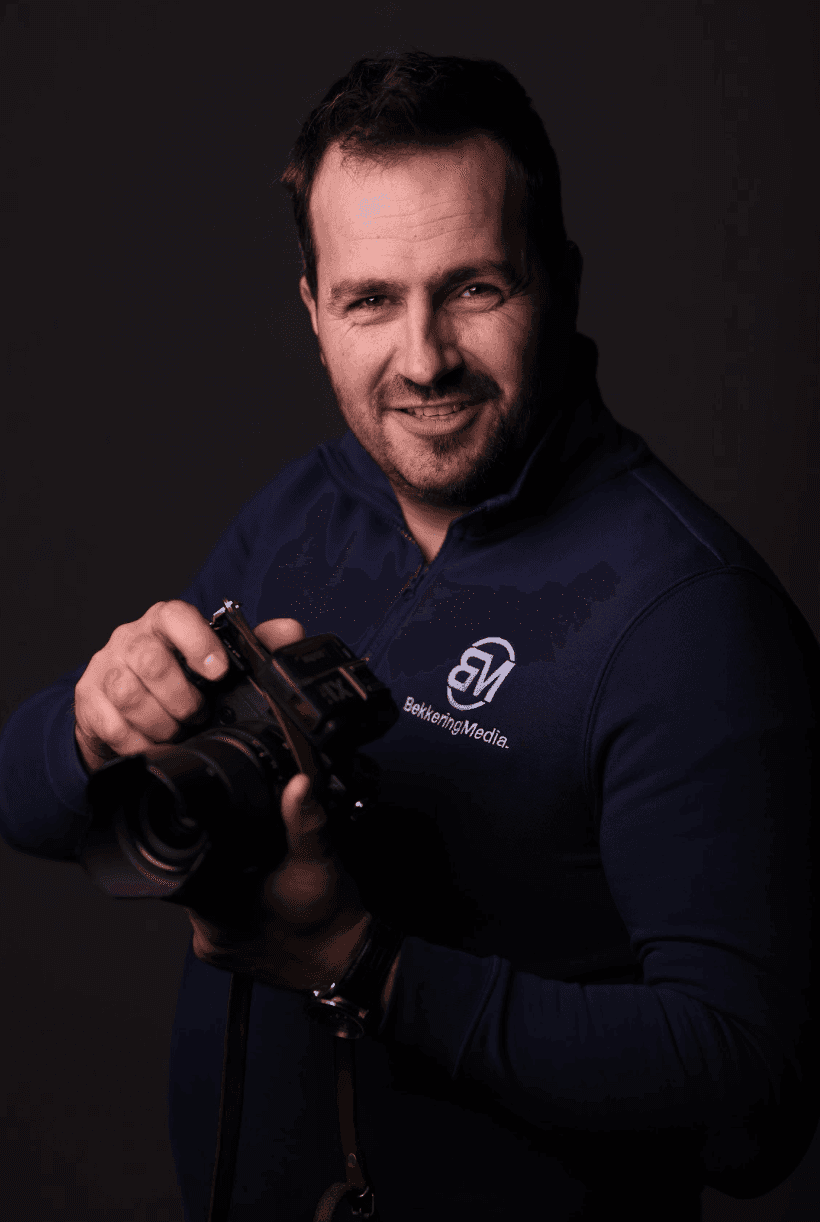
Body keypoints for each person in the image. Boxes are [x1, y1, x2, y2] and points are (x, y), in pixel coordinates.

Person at [0, 50, 817, 1222]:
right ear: (312, 310)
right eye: (370, 299)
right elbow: (33, 811)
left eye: (475, 288)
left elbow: (750, 1091)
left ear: (560, 282)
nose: (423, 357)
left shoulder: (687, 613)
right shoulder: (303, 511)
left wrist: (361, 963)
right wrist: (89, 721)